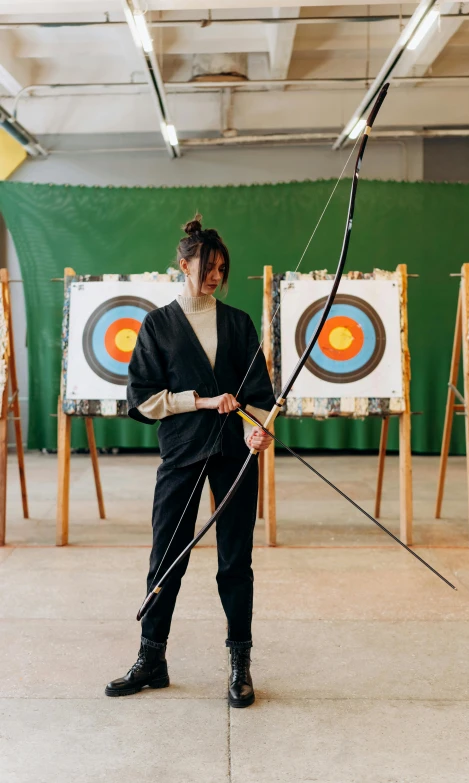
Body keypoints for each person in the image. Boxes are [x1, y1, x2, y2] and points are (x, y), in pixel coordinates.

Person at [105, 214, 275, 708]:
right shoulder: (158, 325)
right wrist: (198, 401)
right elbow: (142, 398)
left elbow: (259, 394)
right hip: (181, 453)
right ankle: (151, 659)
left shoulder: (239, 323)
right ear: (183, 265)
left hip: (233, 456)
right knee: (167, 556)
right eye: (207, 267)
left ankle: (240, 664)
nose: (216, 276)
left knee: (234, 561)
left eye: (222, 268)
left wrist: (256, 429)